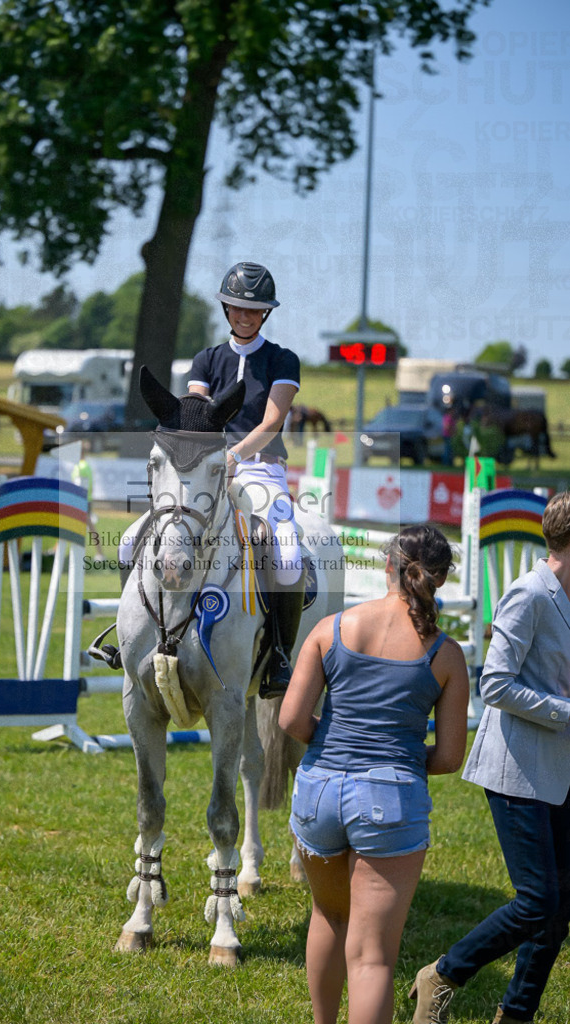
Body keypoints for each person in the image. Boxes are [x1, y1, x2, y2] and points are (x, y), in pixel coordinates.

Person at [279, 525, 469, 1024]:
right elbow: (450, 757)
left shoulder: (331, 629)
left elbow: (291, 719)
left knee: (328, 916)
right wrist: (396, 761)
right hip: (391, 798)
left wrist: (333, 744)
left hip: (318, 791)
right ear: (440, 579)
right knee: (372, 958)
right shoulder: (446, 654)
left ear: (388, 566)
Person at [411, 492, 570, 1024]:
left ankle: (516, 1014)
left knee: (559, 908)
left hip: (558, 769)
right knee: (538, 901)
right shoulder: (530, 594)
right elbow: (495, 684)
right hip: (516, 769)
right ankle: (442, 975)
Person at [187, 260, 303, 698]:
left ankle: (280, 654)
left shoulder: (282, 359)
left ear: (265, 313)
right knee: (145, 537)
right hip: (209, 469)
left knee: (287, 555)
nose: (245, 315)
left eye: (254, 309)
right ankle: (141, 633)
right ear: (226, 308)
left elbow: (272, 422)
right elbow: (196, 415)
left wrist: (235, 454)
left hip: (262, 470)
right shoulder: (206, 360)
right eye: (237, 307)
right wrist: (211, 458)